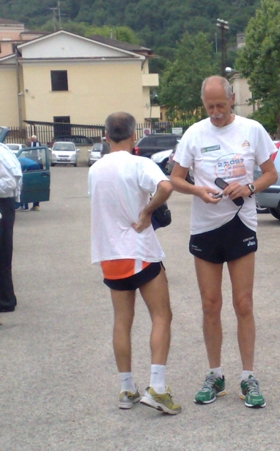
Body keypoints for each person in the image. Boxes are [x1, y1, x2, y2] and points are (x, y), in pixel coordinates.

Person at [170, 75, 278, 409]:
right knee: (210, 304)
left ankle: (248, 377)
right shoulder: (194, 133)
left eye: (220, 105)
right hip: (205, 227)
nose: (215, 112)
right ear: (203, 103)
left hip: (240, 224)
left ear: (232, 99)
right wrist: (197, 190)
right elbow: (175, 178)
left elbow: (270, 173)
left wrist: (249, 189)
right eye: (209, 106)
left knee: (243, 303)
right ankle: (215, 374)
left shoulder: (252, 129)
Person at [88, 112, 181, 415]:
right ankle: (158, 387)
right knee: (161, 315)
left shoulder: (95, 169)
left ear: (106, 136)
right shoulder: (141, 163)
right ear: (132, 136)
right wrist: (147, 211)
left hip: (109, 254)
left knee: (122, 321)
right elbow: (165, 188)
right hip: (139, 251)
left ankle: (127, 388)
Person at [0, 143, 22, 313]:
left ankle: (6, 300)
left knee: (2, 255)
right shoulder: (4, 150)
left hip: (2, 204)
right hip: (5, 205)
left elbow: (9, 183)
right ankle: (7, 298)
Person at [23, 135, 42, 211]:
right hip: (35, 166)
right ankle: (35, 205)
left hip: (32, 168)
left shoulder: (35, 145)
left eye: (32, 139)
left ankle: (27, 206)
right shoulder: (31, 145)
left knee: (26, 187)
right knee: (35, 187)